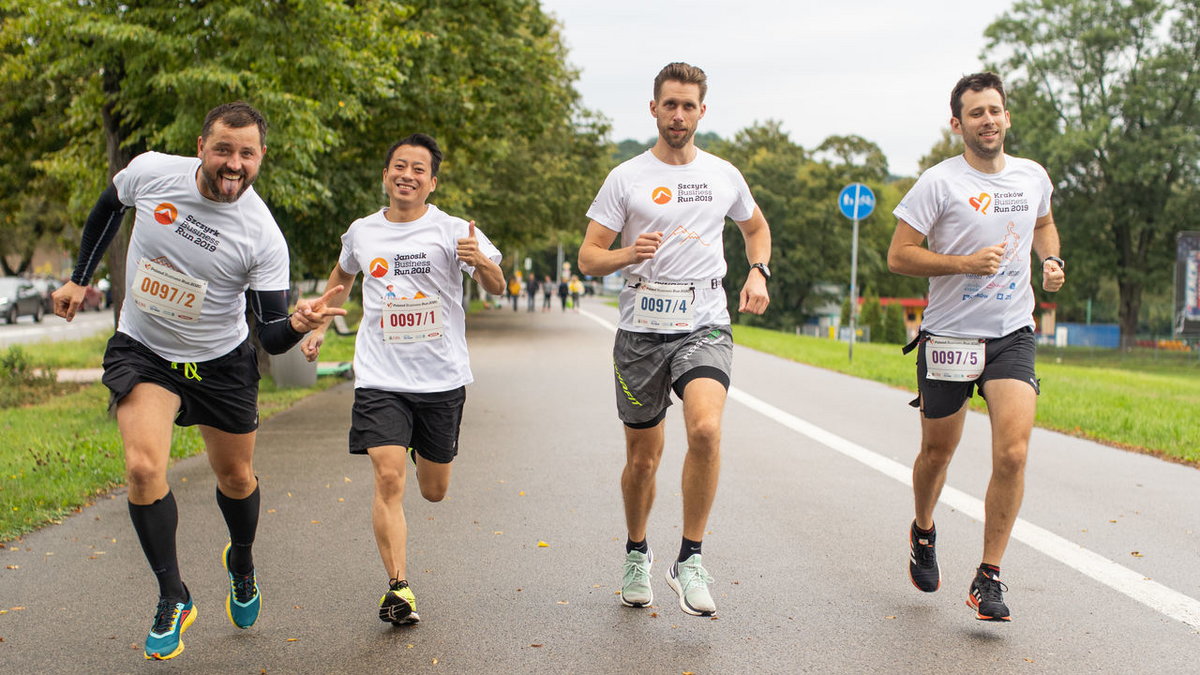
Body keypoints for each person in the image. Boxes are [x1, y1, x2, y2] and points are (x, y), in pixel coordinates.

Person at [51, 102, 343, 660]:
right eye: (224, 150)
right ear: (202, 146)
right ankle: (173, 595)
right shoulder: (153, 172)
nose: (234, 164)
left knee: (236, 478)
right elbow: (108, 207)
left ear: (261, 158)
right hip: (145, 349)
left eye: (247, 154)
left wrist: (298, 323)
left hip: (220, 362)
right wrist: (77, 278)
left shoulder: (262, 236)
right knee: (142, 468)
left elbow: (272, 335)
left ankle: (242, 558)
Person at [577, 62, 771, 617]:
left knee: (706, 430)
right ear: (654, 108)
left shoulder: (723, 175)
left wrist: (758, 272)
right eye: (670, 105)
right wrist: (626, 254)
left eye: (689, 105)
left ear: (702, 111)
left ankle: (690, 558)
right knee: (643, 459)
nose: (679, 115)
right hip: (641, 332)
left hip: (704, 320)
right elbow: (590, 256)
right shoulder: (626, 178)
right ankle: (637, 553)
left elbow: (755, 228)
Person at [300, 133, 504, 627]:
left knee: (433, 490)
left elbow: (497, 286)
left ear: (431, 182)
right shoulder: (362, 231)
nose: (406, 175)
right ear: (385, 175)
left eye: (418, 169)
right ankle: (399, 587)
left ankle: (419, 446)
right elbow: (343, 276)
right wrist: (323, 324)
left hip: (440, 378)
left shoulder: (454, 231)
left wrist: (481, 262)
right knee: (388, 476)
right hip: (380, 376)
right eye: (399, 166)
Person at [887, 72, 1065, 622]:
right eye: (976, 113)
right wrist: (962, 263)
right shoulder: (938, 183)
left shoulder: (1032, 175)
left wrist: (1051, 260)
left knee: (1012, 451)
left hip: (1012, 332)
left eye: (995, 110)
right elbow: (899, 256)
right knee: (937, 453)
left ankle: (989, 576)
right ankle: (923, 529)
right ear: (957, 123)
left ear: (1007, 116)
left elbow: (1045, 223)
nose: (988, 120)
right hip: (949, 337)